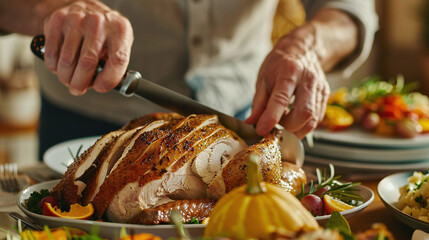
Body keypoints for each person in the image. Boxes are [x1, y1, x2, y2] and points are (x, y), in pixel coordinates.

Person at [0, 0, 378, 158]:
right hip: (86, 122)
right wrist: (51, 10)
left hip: (244, 117)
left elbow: (350, 7)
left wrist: (306, 45)